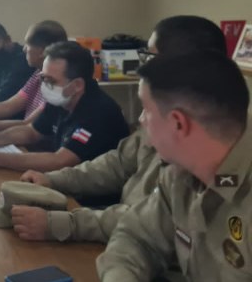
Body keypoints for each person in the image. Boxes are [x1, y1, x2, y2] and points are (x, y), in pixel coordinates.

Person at [15, 15, 227, 244]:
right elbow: (116, 164)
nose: (143, 65)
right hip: (122, 233)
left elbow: (151, 220)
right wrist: (52, 180)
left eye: (150, 56)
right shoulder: (162, 113)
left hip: (138, 240)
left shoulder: (211, 141)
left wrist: (64, 223)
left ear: (186, 65)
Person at [96, 51, 252, 281]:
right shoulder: (181, 173)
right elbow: (135, 237)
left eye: (146, 110)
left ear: (178, 123)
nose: (141, 120)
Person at [0, 41, 128, 172]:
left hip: (90, 197)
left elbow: (60, 161)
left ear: (77, 85)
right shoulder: (62, 98)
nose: (45, 85)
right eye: (43, 78)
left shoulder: (98, 112)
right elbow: (31, 132)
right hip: (63, 182)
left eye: (51, 81)